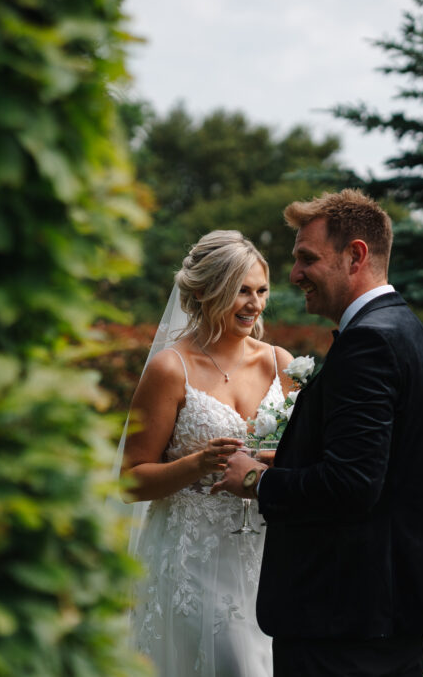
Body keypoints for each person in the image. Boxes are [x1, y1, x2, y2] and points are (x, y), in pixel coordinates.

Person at [212, 190, 423, 676]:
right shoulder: (411, 335)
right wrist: (292, 461)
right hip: (388, 615)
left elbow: (352, 486)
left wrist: (254, 480)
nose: (294, 274)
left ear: (356, 256)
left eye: (308, 258)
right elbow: (387, 470)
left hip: (344, 620)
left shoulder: (368, 343)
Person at [119, 230, 293, 676]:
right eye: (240, 290)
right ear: (204, 292)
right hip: (194, 560)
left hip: (269, 555)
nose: (254, 303)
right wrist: (195, 464)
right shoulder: (170, 368)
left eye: (261, 290)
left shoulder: (280, 363)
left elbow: (303, 455)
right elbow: (130, 480)